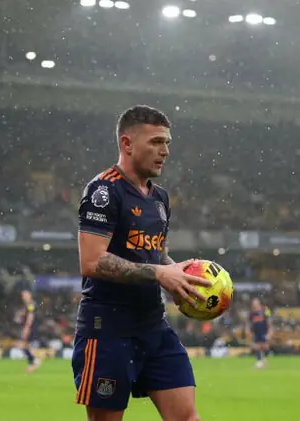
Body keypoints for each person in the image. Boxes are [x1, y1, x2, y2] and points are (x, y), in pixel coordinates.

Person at [73, 105, 211, 421]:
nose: (165, 151)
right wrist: (160, 273)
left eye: (167, 143)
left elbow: (155, 254)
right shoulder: (103, 191)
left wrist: (179, 276)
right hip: (108, 329)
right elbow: (92, 261)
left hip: (153, 325)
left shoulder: (159, 198)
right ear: (127, 144)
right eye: (156, 142)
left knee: (187, 417)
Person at [16, 289, 41, 373]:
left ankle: (35, 361)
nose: (23, 297)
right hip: (29, 328)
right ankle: (33, 362)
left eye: (25, 295)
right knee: (24, 345)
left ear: (30, 295)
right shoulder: (27, 305)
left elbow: (30, 317)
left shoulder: (31, 305)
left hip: (30, 329)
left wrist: (26, 328)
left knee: (22, 345)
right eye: (22, 296)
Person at [248, 298, 272, 369]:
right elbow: (249, 322)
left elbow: (269, 319)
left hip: (264, 331)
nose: (255, 304)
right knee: (257, 346)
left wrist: (270, 330)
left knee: (265, 346)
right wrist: (250, 331)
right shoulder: (252, 312)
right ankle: (259, 361)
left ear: (259, 303)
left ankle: (265, 361)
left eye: (256, 302)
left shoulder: (265, 309)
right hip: (256, 331)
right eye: (253, 303)